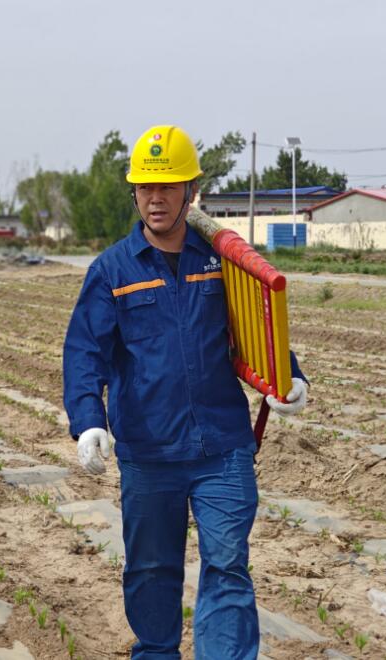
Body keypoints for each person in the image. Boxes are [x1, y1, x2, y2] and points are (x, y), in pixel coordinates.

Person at [63, 125, 308, 659]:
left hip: (222, 445)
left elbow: (255, 323)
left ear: (190, 190)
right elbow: (85, 351)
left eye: (168, 186)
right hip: (149, 452)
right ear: (134, 192)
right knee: (151, 569)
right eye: (147, 187)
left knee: (226, 564)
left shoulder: (221, 260)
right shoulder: (112, 271)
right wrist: (88, 420)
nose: (156, 198)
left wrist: (288, 376)